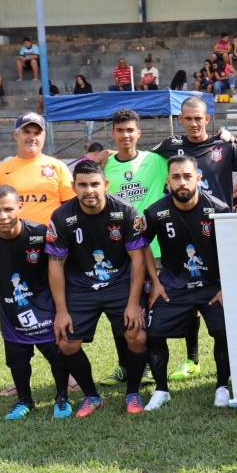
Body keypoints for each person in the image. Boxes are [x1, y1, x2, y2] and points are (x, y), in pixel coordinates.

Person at [152, 97, 237, 379]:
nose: (194, 123)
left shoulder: (224, 145)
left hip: (219, 225)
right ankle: (192, 359)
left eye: (199, 118)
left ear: (208, 119)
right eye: (188, 118)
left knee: (223, 296)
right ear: (181, 120)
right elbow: (139, 157)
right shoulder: (169, 146)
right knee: (189, 293)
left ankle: (235, 363)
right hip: (183, 224)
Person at [46, 160, 150, 416]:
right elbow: (55, 265)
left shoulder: (125, 211)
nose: (89, 190)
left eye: (94, 184)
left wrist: (133, 303)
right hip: (80, 285)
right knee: (67, 343)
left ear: (105, 185)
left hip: (119, 283)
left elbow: (137, 259)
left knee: (137, 335)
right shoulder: (62, 216)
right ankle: (92, 396)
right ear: (73, 186)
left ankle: (133, 392)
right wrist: (61, 311)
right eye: (82, 185)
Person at [0, 185, 73, 420]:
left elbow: (58, 268)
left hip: (45, 309)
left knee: (57, 357)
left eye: (8, 208)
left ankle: (62, 398)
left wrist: (61, 310)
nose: (3, 216)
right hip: (11, 313)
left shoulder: (40, 234)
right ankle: (24, 401)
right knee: (17, 360)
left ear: (20, 207)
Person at [141, 155, 234, 409]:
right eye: (176, 177)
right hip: (173, 284)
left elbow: (234, 250)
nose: (182, 182)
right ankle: (161, 390)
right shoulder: (155, 212)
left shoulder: (219, 209)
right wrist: (155, 282)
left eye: (187, 176)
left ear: (199, 179)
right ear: (167, 181)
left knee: (223, 332)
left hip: (212, 285)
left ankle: (222, 386)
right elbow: (141, 246)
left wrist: (226, 286)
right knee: (154, 333)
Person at [98, 108, 169, 388]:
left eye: (130, 130)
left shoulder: (156, 161)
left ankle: (151, 365)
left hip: (154, 248)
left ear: (138, 133)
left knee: (151, 309)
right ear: (113, 134)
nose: (125, 135)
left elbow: (191, 159)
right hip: (118, 251)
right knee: (121, 311)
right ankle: (125, 366)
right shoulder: (106, 166)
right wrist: (94, 158)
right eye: (120, 130)